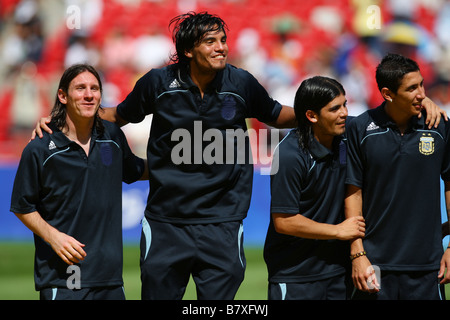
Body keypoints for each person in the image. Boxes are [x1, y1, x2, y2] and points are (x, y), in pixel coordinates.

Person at [33, 13, 444, 300]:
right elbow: (114, 115)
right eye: (211, 41)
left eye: (223, 40)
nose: (221, 47)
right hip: (166, 222)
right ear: (190, 49)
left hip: (224, 223)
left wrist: (341, 118)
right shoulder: (157, 84)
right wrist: (58, 120)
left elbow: (279, 114)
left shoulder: (240, 84)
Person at [10, 64, 147, 300]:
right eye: (80, 88)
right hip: (63, 278)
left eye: (94, 88)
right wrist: (54, 237)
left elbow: (136, 169)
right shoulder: (40, 148)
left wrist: (183, 162)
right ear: (62, 95)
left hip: (110, 279)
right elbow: (22, 206)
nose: (88, 94)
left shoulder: (112, 137)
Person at [345, 53, 450, 300]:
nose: (422, 94)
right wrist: (358, 254)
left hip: (428, 265)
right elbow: (353, 192)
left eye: (422, 84)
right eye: (412, 88)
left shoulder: (440, 126)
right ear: (387, 93)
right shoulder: (360, 129)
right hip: (375, 263)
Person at [263, 76, 365, 300]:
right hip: (295, 276)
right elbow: (284, 221)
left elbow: (386, 118)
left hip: (338, 274)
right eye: (335, 108)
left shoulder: (347, 135)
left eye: (345, 104)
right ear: (312, 116)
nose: (345, 113)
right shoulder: (290, 155)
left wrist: (425, 103)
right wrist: (339, 230)